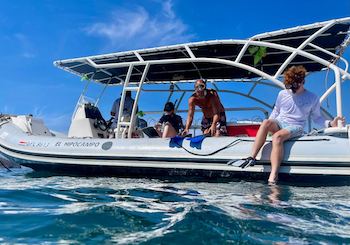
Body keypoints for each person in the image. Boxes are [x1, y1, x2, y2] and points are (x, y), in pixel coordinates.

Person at [233, 66, 345, 184]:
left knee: (277, 137)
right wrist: (267, 127)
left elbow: (317, 117)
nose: (291, 89)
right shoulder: (282, 94)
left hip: (296, 126)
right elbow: (276, 112)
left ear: (302, 82)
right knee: (266, 122)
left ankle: (273, 175)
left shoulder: (312, 98)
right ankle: (252, 157)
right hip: (280, 122)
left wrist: (330, 123)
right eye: (288, 86)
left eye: (294, 85)